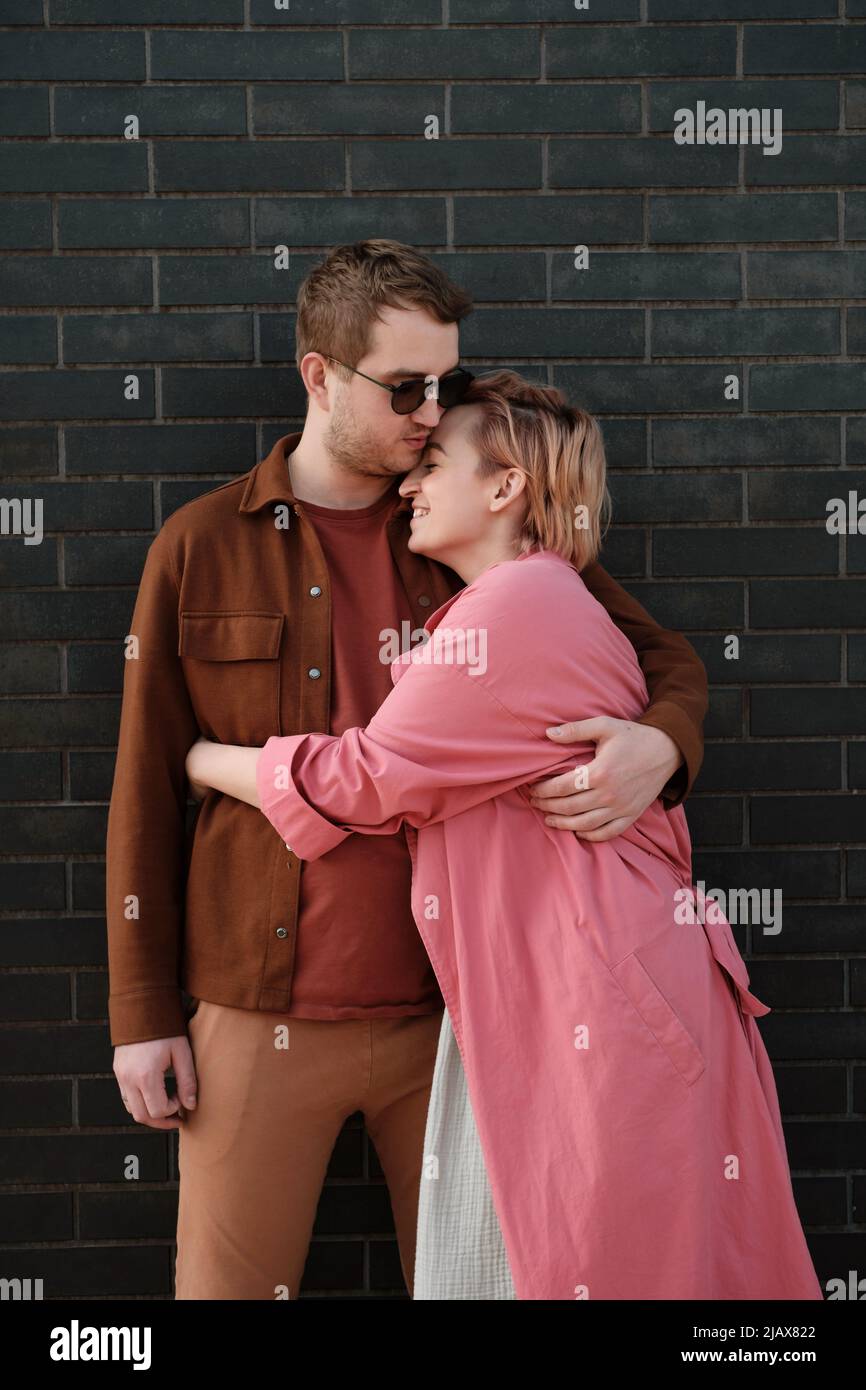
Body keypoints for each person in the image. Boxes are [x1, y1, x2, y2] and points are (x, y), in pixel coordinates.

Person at [107, 240, 708, 1300]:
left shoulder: (459, 524)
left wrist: (658, 748)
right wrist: (141, 1011)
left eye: (444, 387)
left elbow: (653, 655)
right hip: (255, 1010)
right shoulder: (201, 544)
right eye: (403, 389)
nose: (430, 414)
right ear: (318, 376)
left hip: (460, 1022)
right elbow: (145, 787)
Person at [186, 369, 823, 1301]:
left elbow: (363, 781)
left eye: (434, 462)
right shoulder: (536, 598)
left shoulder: (518, 608)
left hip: (603, 1004)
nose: (408, 482)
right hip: (598, 988)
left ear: (504, 486)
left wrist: (199, 757)